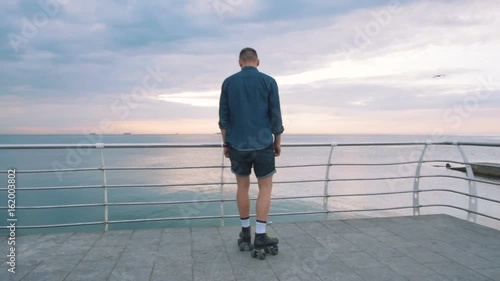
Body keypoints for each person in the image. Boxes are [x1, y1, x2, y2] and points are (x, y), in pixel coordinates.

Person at [218, 47, 284, 255]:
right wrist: (277, 141)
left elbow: (224, 118)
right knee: (265, 187)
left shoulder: (228, 82)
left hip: (237, 144)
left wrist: (226, 144)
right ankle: (261, 235)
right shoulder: (269, 81)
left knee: (242, 186)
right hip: (264, 144)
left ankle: (245, 234)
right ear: (258, 61)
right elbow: (276, 115)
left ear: (240, 62)